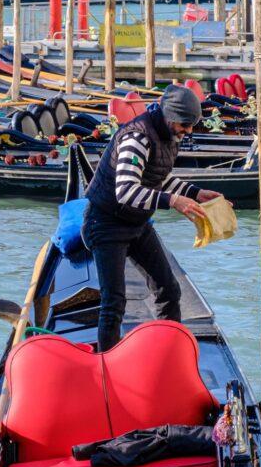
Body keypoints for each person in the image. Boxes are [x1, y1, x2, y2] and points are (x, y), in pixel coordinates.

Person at [83, 85, 222, 350]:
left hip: (136, 222)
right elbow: (125, 190)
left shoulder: (168, 134)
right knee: (114, 303)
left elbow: (157, 174)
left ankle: (168, 354)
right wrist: (173, 201)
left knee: (169, 290)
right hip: (106, 223)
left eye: (192, 125)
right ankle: (105, 368)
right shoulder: (137, 137)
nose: (188, 131)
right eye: (185, 124)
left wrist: (195, 192)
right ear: (169, 116)